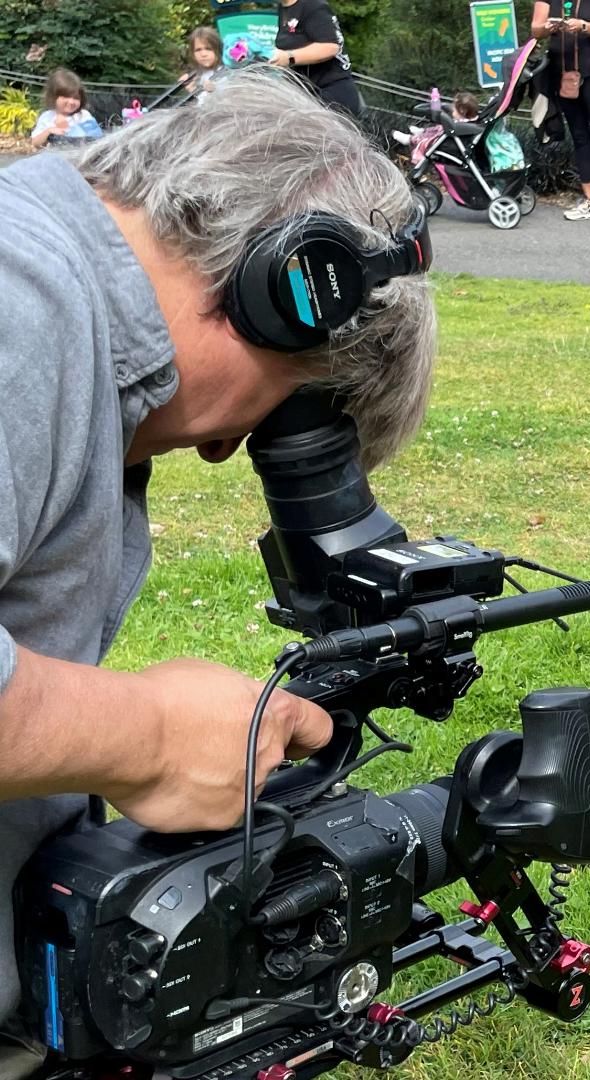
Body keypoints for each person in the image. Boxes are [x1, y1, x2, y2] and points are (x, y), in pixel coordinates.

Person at [0, 68, 436, 1074]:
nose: (222, 446)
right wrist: (149, 738)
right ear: (281, 288)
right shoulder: (23, 314)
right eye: (282, 401)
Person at [532, 0, 590, 229]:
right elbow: (535, 29)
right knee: (580, 137)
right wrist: (550, 28)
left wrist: (584, 26)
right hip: (564, 76)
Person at [270, 0, 363, 118]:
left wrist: (289, 57)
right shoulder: (284, 9)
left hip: (331, 94)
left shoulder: (313, 5)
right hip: (305, 95)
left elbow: (331, 47)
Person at [27, 69, 103, 151]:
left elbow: (95, 137)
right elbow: (35, 142)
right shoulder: (47, 117)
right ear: (53, 97)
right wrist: (48, 132)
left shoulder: (83, 115)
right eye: (66, 97)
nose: (71, 102)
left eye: (76, 98)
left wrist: (67, 128)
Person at [180, 24, 224, 96]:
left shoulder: (225, 72)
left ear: (218, 49)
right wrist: (188, 88)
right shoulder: (196, 75)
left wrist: (214, 90)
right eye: (198, 50)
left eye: (208, 49)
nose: (203, 54)